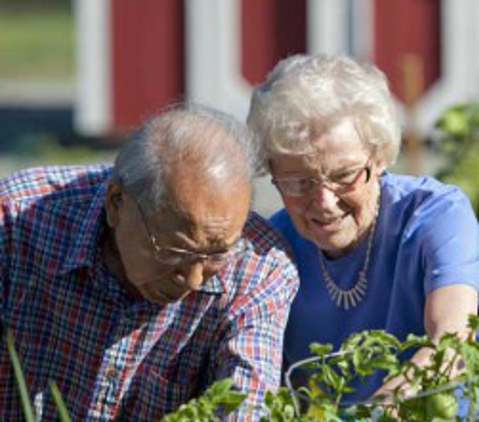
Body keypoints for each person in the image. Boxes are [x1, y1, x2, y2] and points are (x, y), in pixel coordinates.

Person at [247, 54, 479, 412]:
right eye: (298, 182)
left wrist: (375, 412)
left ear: (379, 156)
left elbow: (452, 342)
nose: (324, 202)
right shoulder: (273, 248)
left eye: (343, 175)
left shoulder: (436, 215)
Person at [0, 105, 299, 421]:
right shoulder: (16, 222)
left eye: (215, 254)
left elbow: (246, 407)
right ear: (116, 204)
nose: (194, 279)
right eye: (174, 253)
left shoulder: (259, 268)